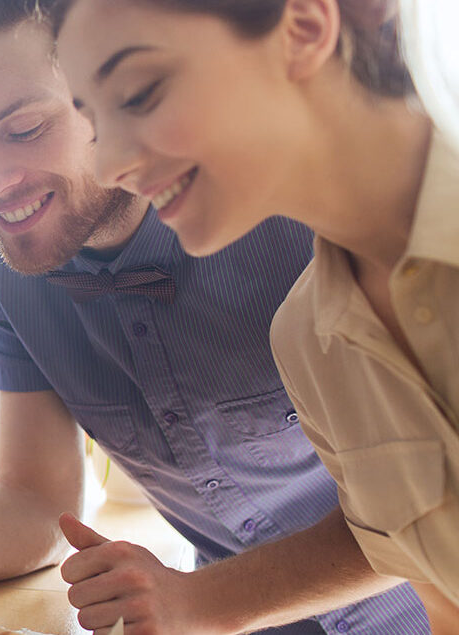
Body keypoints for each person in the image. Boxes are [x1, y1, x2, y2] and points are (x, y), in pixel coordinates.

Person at [0, 1, 430, 633]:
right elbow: (34, 500)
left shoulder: (304, 219)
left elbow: (419, 509)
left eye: (25, 129)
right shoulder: (1, 270)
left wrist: (206, 600)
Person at [50, 0, 459, 626]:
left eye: (139, 94)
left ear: (303, 28)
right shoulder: (311, 345)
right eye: (97, 125)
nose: (108, 166)